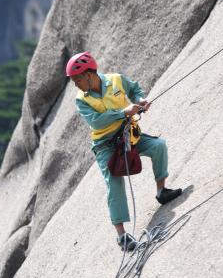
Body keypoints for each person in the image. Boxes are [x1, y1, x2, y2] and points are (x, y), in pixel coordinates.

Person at [68, 51, 182, 251]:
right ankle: (122, 236)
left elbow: (134, 88)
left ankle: (161, 191)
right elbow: (96, 121)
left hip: (128, 135)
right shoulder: (82, 100)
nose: (75, 84)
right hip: (105, 144)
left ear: (88, 74)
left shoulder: (116, 80)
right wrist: (123, 112)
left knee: (158, 146)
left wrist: (140, 100)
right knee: (114, 182)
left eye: (76, 79)